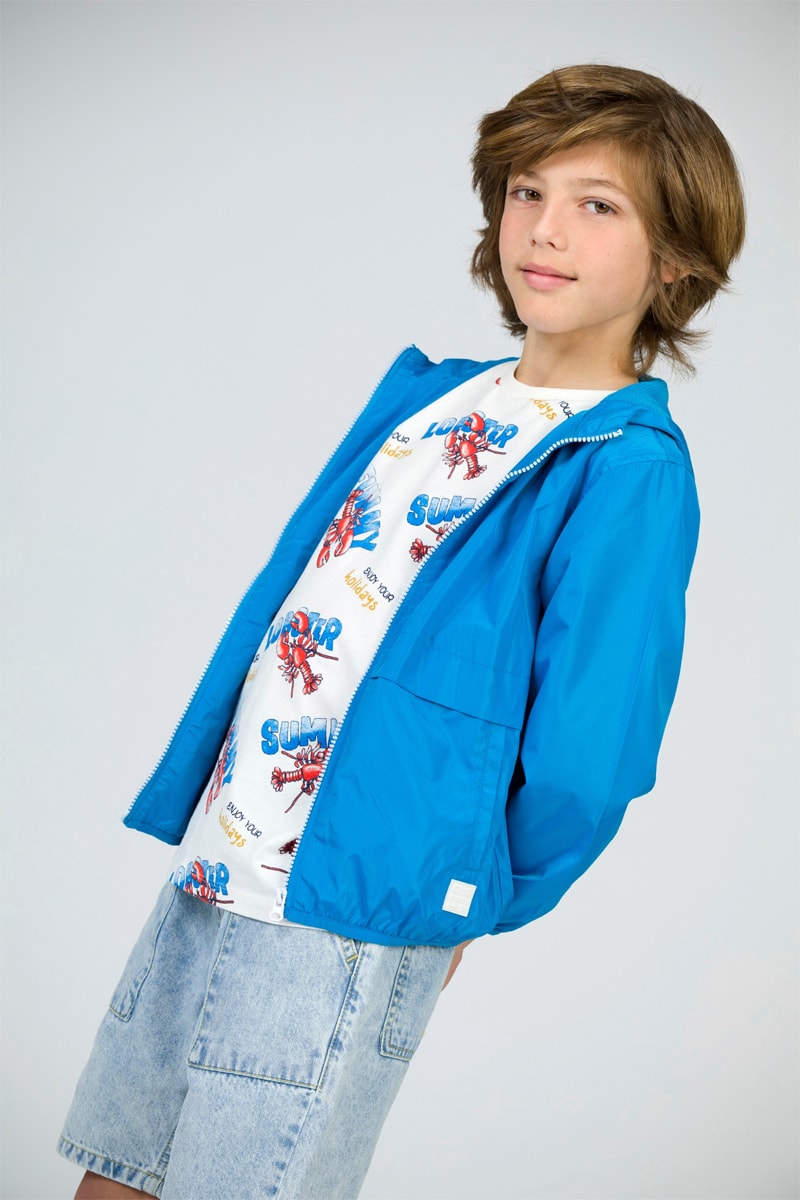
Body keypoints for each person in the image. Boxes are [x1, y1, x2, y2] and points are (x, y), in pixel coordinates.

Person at [58, 64, 745, 1199]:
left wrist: (459, 893)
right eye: (527, 192)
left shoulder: (626, 469)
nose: (546, 229)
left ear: (674, 258)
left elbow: (590, 752)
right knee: (116, 1173)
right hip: (224, 862)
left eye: (598, 205)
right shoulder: (437, 400)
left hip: (354, 905)